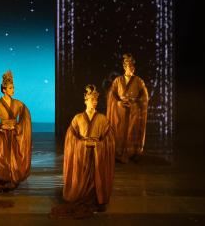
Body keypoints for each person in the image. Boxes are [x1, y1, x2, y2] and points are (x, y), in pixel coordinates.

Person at [51, 84, 116, 219]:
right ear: (86, 100)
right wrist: (83, 144)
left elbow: (109, 139)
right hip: (82, 155)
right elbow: (71, 138)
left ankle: (96, 198)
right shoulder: (78, 118)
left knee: (96, 178)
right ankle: (80, 195)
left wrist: (98, 145)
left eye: (96, 99)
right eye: (92, 99)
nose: (95, 102)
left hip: (97, 156)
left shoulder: (103, 119)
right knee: (81, 179)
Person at [0, 70, 32, 194]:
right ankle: (2, 181)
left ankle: (11, 180)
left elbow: (25, 118)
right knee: (2, 158)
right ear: (4, 89)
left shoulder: (18, 104)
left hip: (14, 135)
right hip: (3, 135)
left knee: (13, 158)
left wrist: (18, 127)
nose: (13, 90)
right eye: (10, 88)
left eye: (13, 87)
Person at [106, 53, 149, 163]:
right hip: (120, 112)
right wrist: (118, 103)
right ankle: (118, 153)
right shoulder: (117, 81)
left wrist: (135, 104)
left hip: (133, 112)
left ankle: (132, 153)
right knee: (119, 132)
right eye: (129, 66)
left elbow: (144, 97)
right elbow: (111, 95)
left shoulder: (139, 81)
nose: (132, 68)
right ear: (125, 67)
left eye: (133, 66)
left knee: (132, 132)